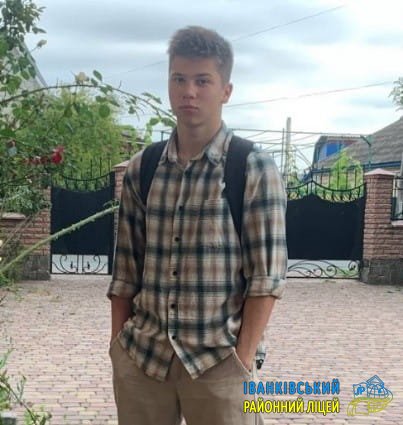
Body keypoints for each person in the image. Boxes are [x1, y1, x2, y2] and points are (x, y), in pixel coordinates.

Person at [107, 26, 287, 425]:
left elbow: (267, 277)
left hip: (219, 363)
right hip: (144, 359)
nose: (189, 91)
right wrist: (118, 348)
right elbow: (125, 272)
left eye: (203, 81)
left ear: (226, 90)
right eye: (179, 79)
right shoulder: (143, 168)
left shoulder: (252, 167)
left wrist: (242, 360)